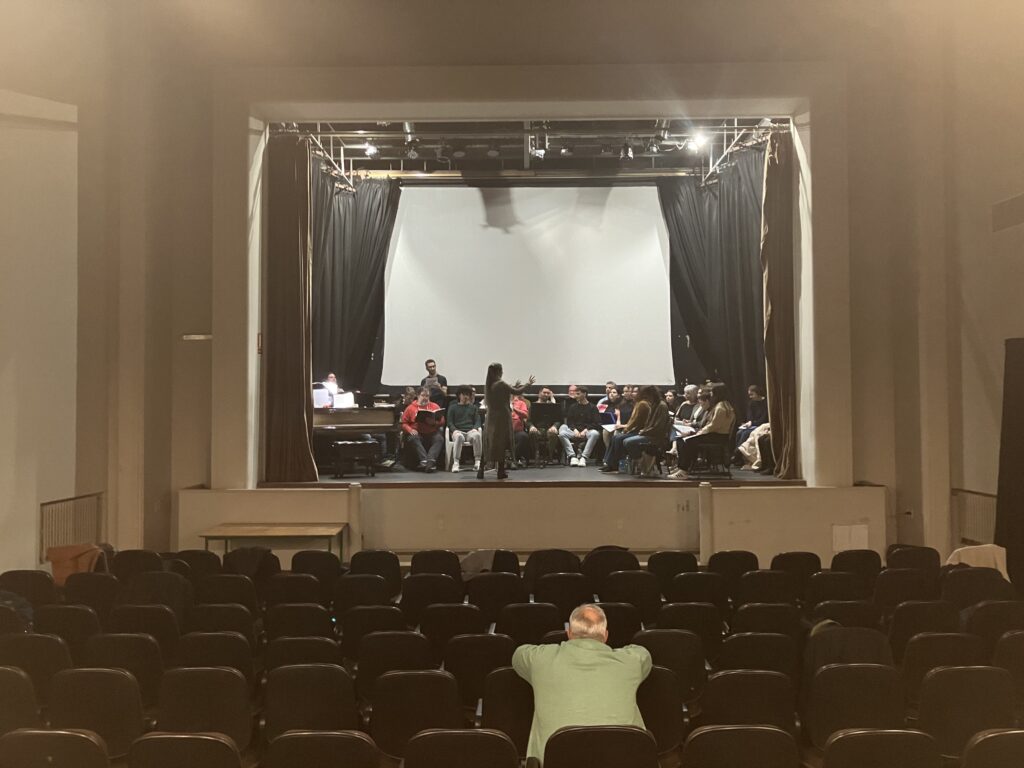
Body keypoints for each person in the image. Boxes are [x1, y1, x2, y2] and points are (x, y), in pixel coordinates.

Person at [512, 604, 652, 764]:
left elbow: (518, 654)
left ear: (569, 634)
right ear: (606, 636)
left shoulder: (540, 659)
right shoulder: (631, 662)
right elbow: (643, 654)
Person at [478, 362, 535, 480]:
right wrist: (528, 384)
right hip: (502, 417)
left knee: (490, 442)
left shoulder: (489, 385)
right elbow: (517, 391)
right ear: (499, 371)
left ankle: (481, 470)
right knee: (502, 443)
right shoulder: (501, 384)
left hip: (491, 417)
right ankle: (501, 471)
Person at [669, 383, 736, 480]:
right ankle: (682, 468)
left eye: (712, 392)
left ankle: (684, 470)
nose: (711, 395)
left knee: (687, 441)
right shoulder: (722, 405)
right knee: (681, 439)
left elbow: (713, 426)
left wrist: (697, 433)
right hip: (716, 434)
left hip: (717, 436)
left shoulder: (721, 408)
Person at [401, 387, 445, 472]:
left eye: (427, 396)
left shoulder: (434, 406)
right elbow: (404, 423)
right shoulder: (410, 408)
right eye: (423, 395)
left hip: (432, 432)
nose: (425, 398)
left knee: (439, 439)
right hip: (418, 432)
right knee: (413, 438)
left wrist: (434, 423)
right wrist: (410, 430)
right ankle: (425, 460)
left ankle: (430, 461)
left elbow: (442, 421)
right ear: (418, 396)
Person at [558, 386, 602, 466]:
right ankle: (572, 456)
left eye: (578, 394)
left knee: (595, 434)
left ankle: (584, 457)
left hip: (587, 431)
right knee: (562, 434)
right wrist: (574, 430)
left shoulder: (593, 407)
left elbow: (597, 423)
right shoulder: (573, 407)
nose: (576, 396)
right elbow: (570, 422)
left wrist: (585, 430)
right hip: (575, 431)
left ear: (584, 394)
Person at [447, 385, 482, 473]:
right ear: (459, 395)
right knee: (459, 437)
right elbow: (449, 422)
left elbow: (478, 421)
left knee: (477, 435)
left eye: (467, 395)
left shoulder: (473, 408)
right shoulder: (453, 407)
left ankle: (477, 461)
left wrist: (475, 428)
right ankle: (456, 462)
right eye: (463, 394)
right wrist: (454, 430)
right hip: (458, 431)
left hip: (470, 431)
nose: (465, 397)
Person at [734, 383, 768, 449]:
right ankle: (738, 451)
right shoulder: (751, 403)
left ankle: (738, 452)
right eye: (749, 395)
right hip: (752, 425)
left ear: (758, 393)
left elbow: (764, 418)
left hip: (762, 425)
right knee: (739, 433)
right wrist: (749, 423)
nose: (750, 397)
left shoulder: (766, 403)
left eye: (752, 394)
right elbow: (749, 416)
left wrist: (752, 423)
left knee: (745, 433)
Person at [511, 392, 533, 467]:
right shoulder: (503, 403)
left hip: (517, 431)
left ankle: (514, 459)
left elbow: (525, 415)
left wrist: (515, 409)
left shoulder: (521, 403)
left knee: (523, 436)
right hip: (504, 431)